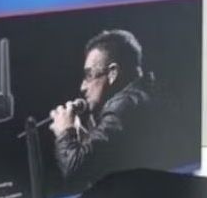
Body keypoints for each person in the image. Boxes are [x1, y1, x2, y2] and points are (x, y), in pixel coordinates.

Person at [49, 30, 162, 185]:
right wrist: (87, 139)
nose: (83, 87)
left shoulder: (123, 106)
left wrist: (65, 132)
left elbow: (74, 169)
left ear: (112, 73)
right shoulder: (144, 94)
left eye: (89, 75)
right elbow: (108, 162)